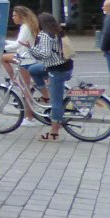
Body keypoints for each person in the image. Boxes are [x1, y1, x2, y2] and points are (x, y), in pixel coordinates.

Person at [17, 12, 72, 141]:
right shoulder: (59, 32)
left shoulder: (45, 35)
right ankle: (45, 95)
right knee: (33, 69)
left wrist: (30, 50)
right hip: (65, 66)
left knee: (56, 102)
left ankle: (54, 132)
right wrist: (31, 48)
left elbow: (45, 54)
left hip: (56, 70)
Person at [1, 6, 40, 125]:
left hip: (25, 60)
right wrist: (4, 42)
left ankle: (29, 117)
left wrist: (1, 48)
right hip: (25, 57)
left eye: (14, 16)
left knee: (25, 89)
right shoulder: (26, 26)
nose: (12, 18)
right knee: (2, 58)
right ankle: (13, 80)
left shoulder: (26, 28)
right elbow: (19, 43)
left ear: (21, 16)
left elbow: (17, 46)